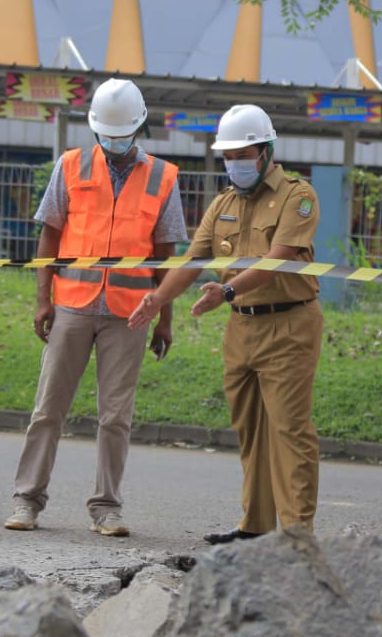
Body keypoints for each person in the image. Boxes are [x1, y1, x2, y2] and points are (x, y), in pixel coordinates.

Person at [128, 104, 322, 545]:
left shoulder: (298, 196)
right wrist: (157, 299)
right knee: (250, 427)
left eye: (243, 153)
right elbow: (194, 261)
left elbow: (279, 260)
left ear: (266, 151)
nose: (235, 162)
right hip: (241, 329)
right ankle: (254, 527)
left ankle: (297, 535)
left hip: (289, 326)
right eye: (228, 155)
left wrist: (229, 291)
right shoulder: (223, 203)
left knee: (290, 429)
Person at [4, 78, 187, 536]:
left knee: (115, 417)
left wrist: (165, 319)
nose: (114, 142)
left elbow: (166, 255)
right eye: (107, 134)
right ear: (95, 129)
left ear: (139, 127)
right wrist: (43, 300)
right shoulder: (70, 166)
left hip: (131, 313)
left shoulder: (164, 177)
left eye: (121, 134)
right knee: (48, 408)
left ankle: (107, 508)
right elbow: (49, 233)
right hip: (72, 305)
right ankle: (27, 500)